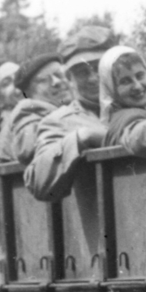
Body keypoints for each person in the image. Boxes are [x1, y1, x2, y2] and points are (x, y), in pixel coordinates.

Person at [24, 25, 114, 201]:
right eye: (82, 72)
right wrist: (80, 138)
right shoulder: (59, 121)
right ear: (69, 78)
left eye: (98, 67)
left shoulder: (140, 103)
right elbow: (37, 182)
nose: (92, 78)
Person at [0, 52, 71, 165]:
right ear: (28, 93)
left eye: (59, 75)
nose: (57, 82)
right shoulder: (27, 113)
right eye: (44, 80)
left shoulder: (75, 107)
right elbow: (29, 149)